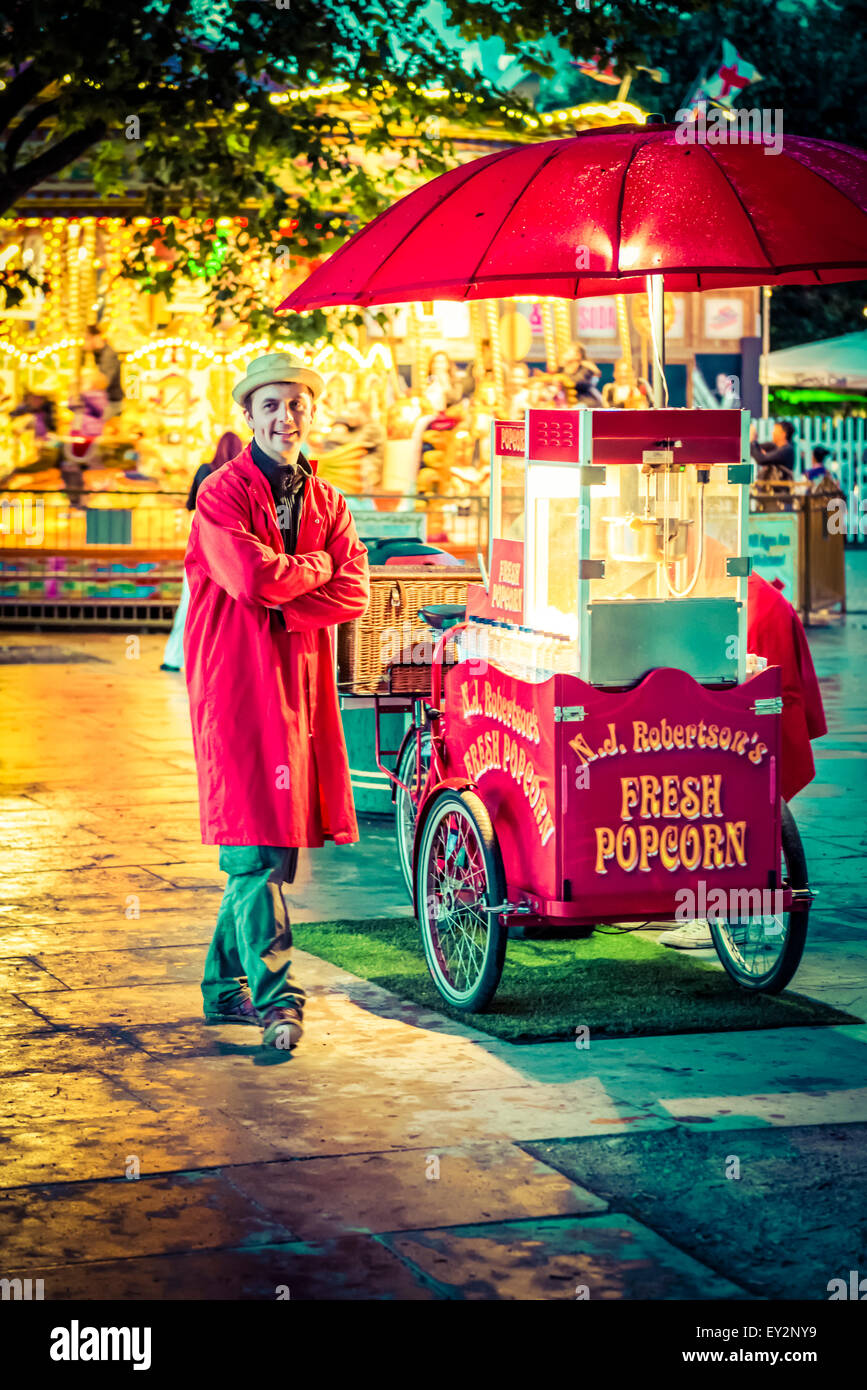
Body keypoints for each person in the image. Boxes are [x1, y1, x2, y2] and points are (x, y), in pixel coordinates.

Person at [184, 352, 369, 1050]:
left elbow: (356, 592)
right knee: (255, 848)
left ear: (309, 413)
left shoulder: (327, 501)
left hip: (299, 688)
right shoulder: (220, 494)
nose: (285, 417)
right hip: (234, 685)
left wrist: (295, 597)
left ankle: (217, 988)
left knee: (273, 850)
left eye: (296, 405)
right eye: (271, 405)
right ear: (249, 415)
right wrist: (314, 571)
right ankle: (276, 1000)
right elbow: (252, 579)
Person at [658, 570, 827, 949]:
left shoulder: (746, 600)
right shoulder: (746, 590)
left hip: (753, 720)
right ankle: (734, 909)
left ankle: (718, 914)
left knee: (725, 805)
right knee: (747, 813)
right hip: (759, 715)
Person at [160, 430, 244, 672]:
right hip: (231, 548)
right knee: (228, 607)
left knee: (190, 601)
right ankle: (220, 660)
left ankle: (175, 658)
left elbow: (190, 504)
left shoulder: (205, 470)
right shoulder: (241, 474)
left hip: (200, 544)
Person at [84, 323, 124, 419]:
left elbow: (104, 382)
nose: (84, 343)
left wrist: (87, 388)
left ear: (95, 337)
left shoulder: (108, 355)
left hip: (111, 403)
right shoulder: (97, 354)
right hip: (106, 401)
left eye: (86, 339)